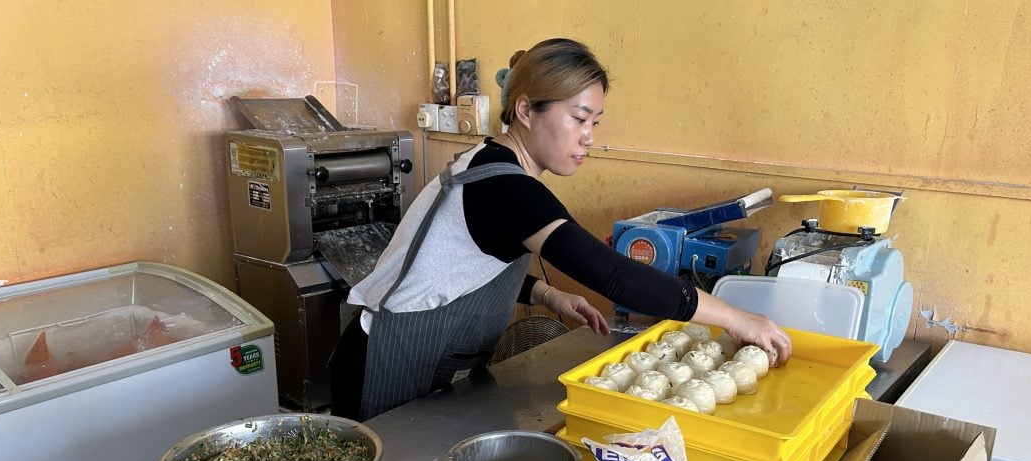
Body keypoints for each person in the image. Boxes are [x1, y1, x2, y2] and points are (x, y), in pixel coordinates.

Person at [331, 37, 791, 421]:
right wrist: (736, 318)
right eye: (578, 118)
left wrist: (545, 295)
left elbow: (457, 267)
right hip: (384, 360)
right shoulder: (505, 188)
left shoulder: (495, 165)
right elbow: (614, 276)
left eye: (595, 121)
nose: (589, 135)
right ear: (527, 110)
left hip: (419, 356)